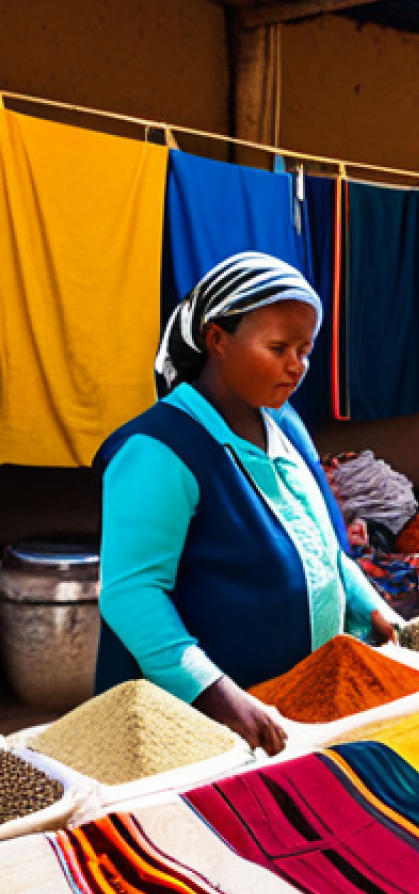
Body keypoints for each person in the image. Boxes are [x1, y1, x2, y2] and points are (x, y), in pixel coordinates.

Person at [94, 252, 403, 755]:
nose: (296, 366)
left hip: (298, 709)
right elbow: (132, 595)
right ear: (217, 339)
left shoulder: (284, 424)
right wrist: (216, 693)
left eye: (305, 349)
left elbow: (321, 546)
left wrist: (370, 605)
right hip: (199, 726)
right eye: (278, 347)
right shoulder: (158, 449)